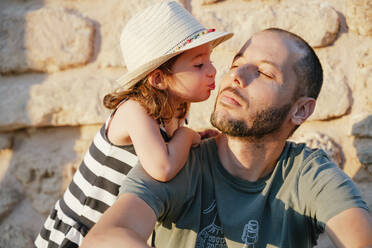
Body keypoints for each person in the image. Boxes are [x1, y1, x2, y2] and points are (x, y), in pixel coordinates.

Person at [81, 27, 372, 248]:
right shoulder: (180, 161)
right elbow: (105, 238)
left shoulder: (309, 175)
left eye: (264, 73)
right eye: (236, 64)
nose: (237, 76)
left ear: (300, 110)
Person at [34, 1, 232, 247]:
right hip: (79, 232)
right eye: (199, 64)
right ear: (159, 78)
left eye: (209, 60)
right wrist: (188, 136)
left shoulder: (177, 109)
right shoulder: (135, 110)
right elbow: (163, 166)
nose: (213, 70)